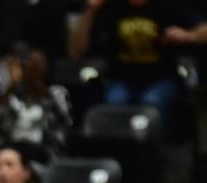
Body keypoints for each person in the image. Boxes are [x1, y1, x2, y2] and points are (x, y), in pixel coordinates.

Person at [69, 0, 207, 121]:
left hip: (161, 78)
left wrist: (188, 35)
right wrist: (90, 11)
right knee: (115, 104)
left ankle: (153, 150)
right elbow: (76, 51)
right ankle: (117, 150)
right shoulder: (111, 6)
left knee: (151, 104)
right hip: (121, 79)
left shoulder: (170, 5)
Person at [0, 47, 72, 159]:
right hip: (12, 155)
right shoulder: (10, 97)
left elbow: (64, 123)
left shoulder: (57, 94)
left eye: (37, 64)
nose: (33, 68)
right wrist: (9, 88)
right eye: (28, 64)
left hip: (45, 155)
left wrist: (36, 84)